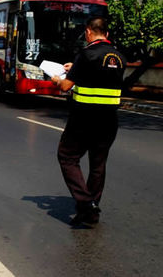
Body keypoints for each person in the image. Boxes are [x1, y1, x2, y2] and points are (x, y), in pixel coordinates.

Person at [51, 17, 126, 226]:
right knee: (98, 165)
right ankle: (90, 211)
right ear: (107, 34)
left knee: (67, 157)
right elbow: (99, 74)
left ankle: (86, 203)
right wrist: (75, 67)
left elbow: (66, 86)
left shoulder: (86, 54)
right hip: (109, 121)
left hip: (83, 120)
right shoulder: (119, 57)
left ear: (88, 33)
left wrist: (57, 79)